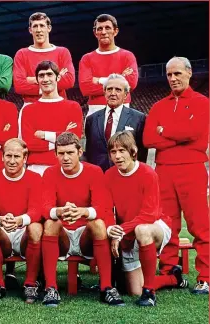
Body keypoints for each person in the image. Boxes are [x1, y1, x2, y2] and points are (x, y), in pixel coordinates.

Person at [143, 56, 209, 294]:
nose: (173, 78)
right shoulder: (159, 106)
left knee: (199, 224)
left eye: (177, 73)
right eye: (169, 74)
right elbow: (149, 139)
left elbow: (196, 133)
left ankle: (205, 276)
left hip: (192, 168)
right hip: (164, 170)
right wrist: (178, 135)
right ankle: (169, 272)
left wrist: (166, 131)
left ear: (189, 73)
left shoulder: (202, 102)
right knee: (168, 222)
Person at [105, 131, 189, 306]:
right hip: (128, 232)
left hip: (155, 226)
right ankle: (173, 279)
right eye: (113, 152)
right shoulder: (109, 175)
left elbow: (149, 214)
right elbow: (106, 208)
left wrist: (121, 231)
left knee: (142, 229)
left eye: (122, 150)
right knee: (134, 289)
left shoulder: (147, 173)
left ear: (133, 151)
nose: (118, 156)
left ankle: (149, 293)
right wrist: (113, 230)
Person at [41, 132, 124, 307]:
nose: (65, 157)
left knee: (99, 223)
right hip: (62, 235)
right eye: (61, 153)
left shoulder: (94, 171)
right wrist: (61, 211)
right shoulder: (49, 173)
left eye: (70, 153)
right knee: (50, 222)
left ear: (80, 152)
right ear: (55, 154)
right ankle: (50, 288)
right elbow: (45, 208)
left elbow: (103, 207)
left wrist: (82, 212)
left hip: (86, 235)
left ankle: (106, 288)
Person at [0, 138, 43, 303]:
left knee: (36, 228)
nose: (12, 160)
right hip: (3, 233)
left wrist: (19, 220)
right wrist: (1, 220)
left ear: (25, 158)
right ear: (2, 157)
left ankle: (30, 283)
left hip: (24, 231)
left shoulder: (35, 178)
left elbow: (37, 211)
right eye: (8, 156)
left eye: (17, 156)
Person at [20, 61, 83, 176]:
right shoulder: (28, 110)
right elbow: (29, 143)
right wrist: (62, 135)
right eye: (41, 75)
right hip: (37, 169)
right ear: (37, 79)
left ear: (58, 77)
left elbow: (74, 138)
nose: (45, 79)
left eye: (49, 74)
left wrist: (44, 135)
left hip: (65, 166)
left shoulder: (73, 107)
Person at [78, 14, 138, 116]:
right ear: (95, 32)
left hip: (122, 111)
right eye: (100, 29)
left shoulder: (127, 56)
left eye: (107, 28)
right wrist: (120, 78)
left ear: (115, 31)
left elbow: (131, 83)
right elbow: (85, 88)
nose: (104, 32)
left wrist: (99, 80)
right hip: (95, 112)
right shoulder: (86, 58)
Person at [85, 74, 147, 172]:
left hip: (126, 175)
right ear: (104, 92)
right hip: (98, 175)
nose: (113, 93)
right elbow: (89, 151)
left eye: (118, 90)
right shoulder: (91, 119)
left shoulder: (139, 118)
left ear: (126, 95)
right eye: (109, 89)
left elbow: (142, 153)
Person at [13, 12, 75, 104]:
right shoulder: (21, 54)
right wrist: (54, 80)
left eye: (42, 25)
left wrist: (31, 79)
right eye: (35, 26)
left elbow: (69, 81)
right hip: (31, 107)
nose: (38, 30)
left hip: (58, 104)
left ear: (49, 28)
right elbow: (19, 86)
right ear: (30, 30)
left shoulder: (62, 52)